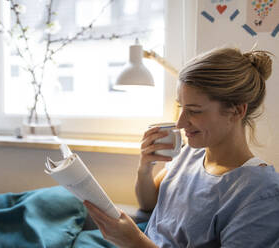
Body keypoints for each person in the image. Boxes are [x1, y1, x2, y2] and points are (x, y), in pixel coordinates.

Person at [84, 47, 279, 247]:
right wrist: (145, 167)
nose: (180, 123)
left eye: (194, 111)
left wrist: (134, 241)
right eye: (181, 107)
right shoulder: (190, 154)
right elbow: (149, 204)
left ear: (236, 111)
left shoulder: (261, 191)